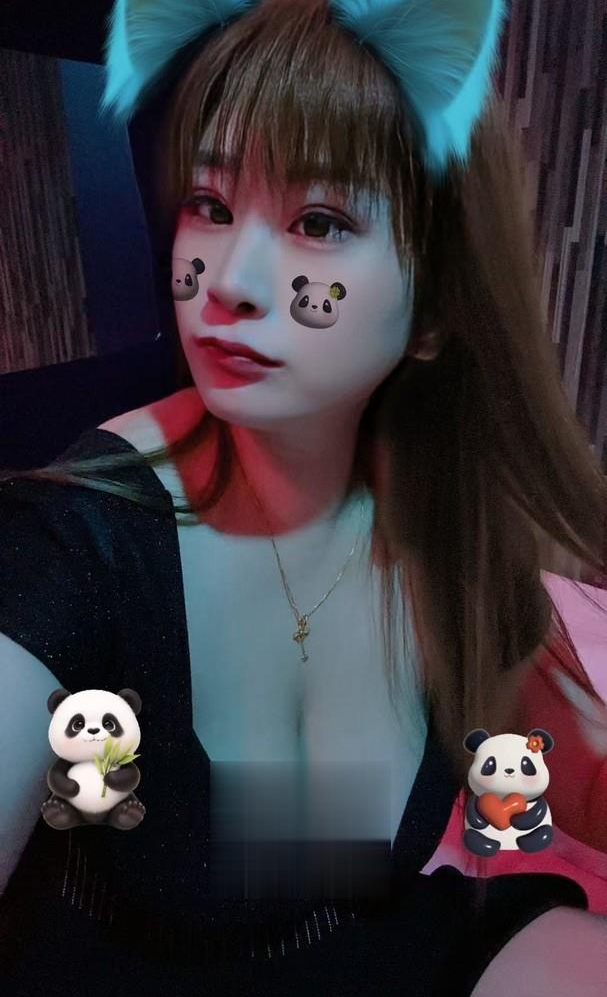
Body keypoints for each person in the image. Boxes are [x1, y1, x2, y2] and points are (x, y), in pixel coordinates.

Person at [1, 1, 606, 994]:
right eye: (209, 204)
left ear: (434, 311)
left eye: (317, 223)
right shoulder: (79, 539)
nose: (229, 281)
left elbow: (573, 772)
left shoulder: (442, 517)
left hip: (370, 942)